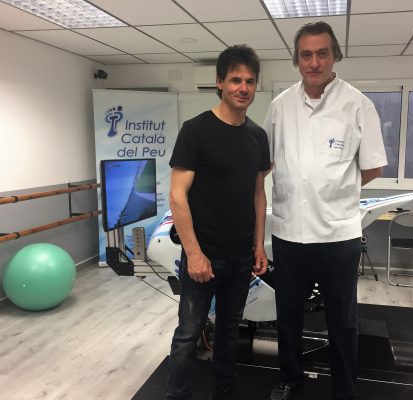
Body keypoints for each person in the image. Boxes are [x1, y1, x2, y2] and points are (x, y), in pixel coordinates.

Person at [263, 22, 387, 400]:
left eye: (322, 53)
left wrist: (335, 189)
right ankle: (291, 378)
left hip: (337, 235)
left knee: (342, 321)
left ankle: (344, 390)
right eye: (306, 55)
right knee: (288, 315)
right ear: (297, 60)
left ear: (335, 56)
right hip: (289, 233)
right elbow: (266, 162)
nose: (314, 62)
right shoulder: (280, 106)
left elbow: (373, 167)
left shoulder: (358, 105)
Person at [166, 45, 270, 400]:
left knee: (229, 330)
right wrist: (194, 254)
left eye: (250, 81)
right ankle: (177, 396)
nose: (243, 87)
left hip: (240, 257)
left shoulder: (258, 136)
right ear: (220, 83)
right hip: (203, 257)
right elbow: (177, 196)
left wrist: (258, 246)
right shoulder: (195, 130)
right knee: (188, 333)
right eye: (236, 80)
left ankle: (224, 392)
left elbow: (258, 193)